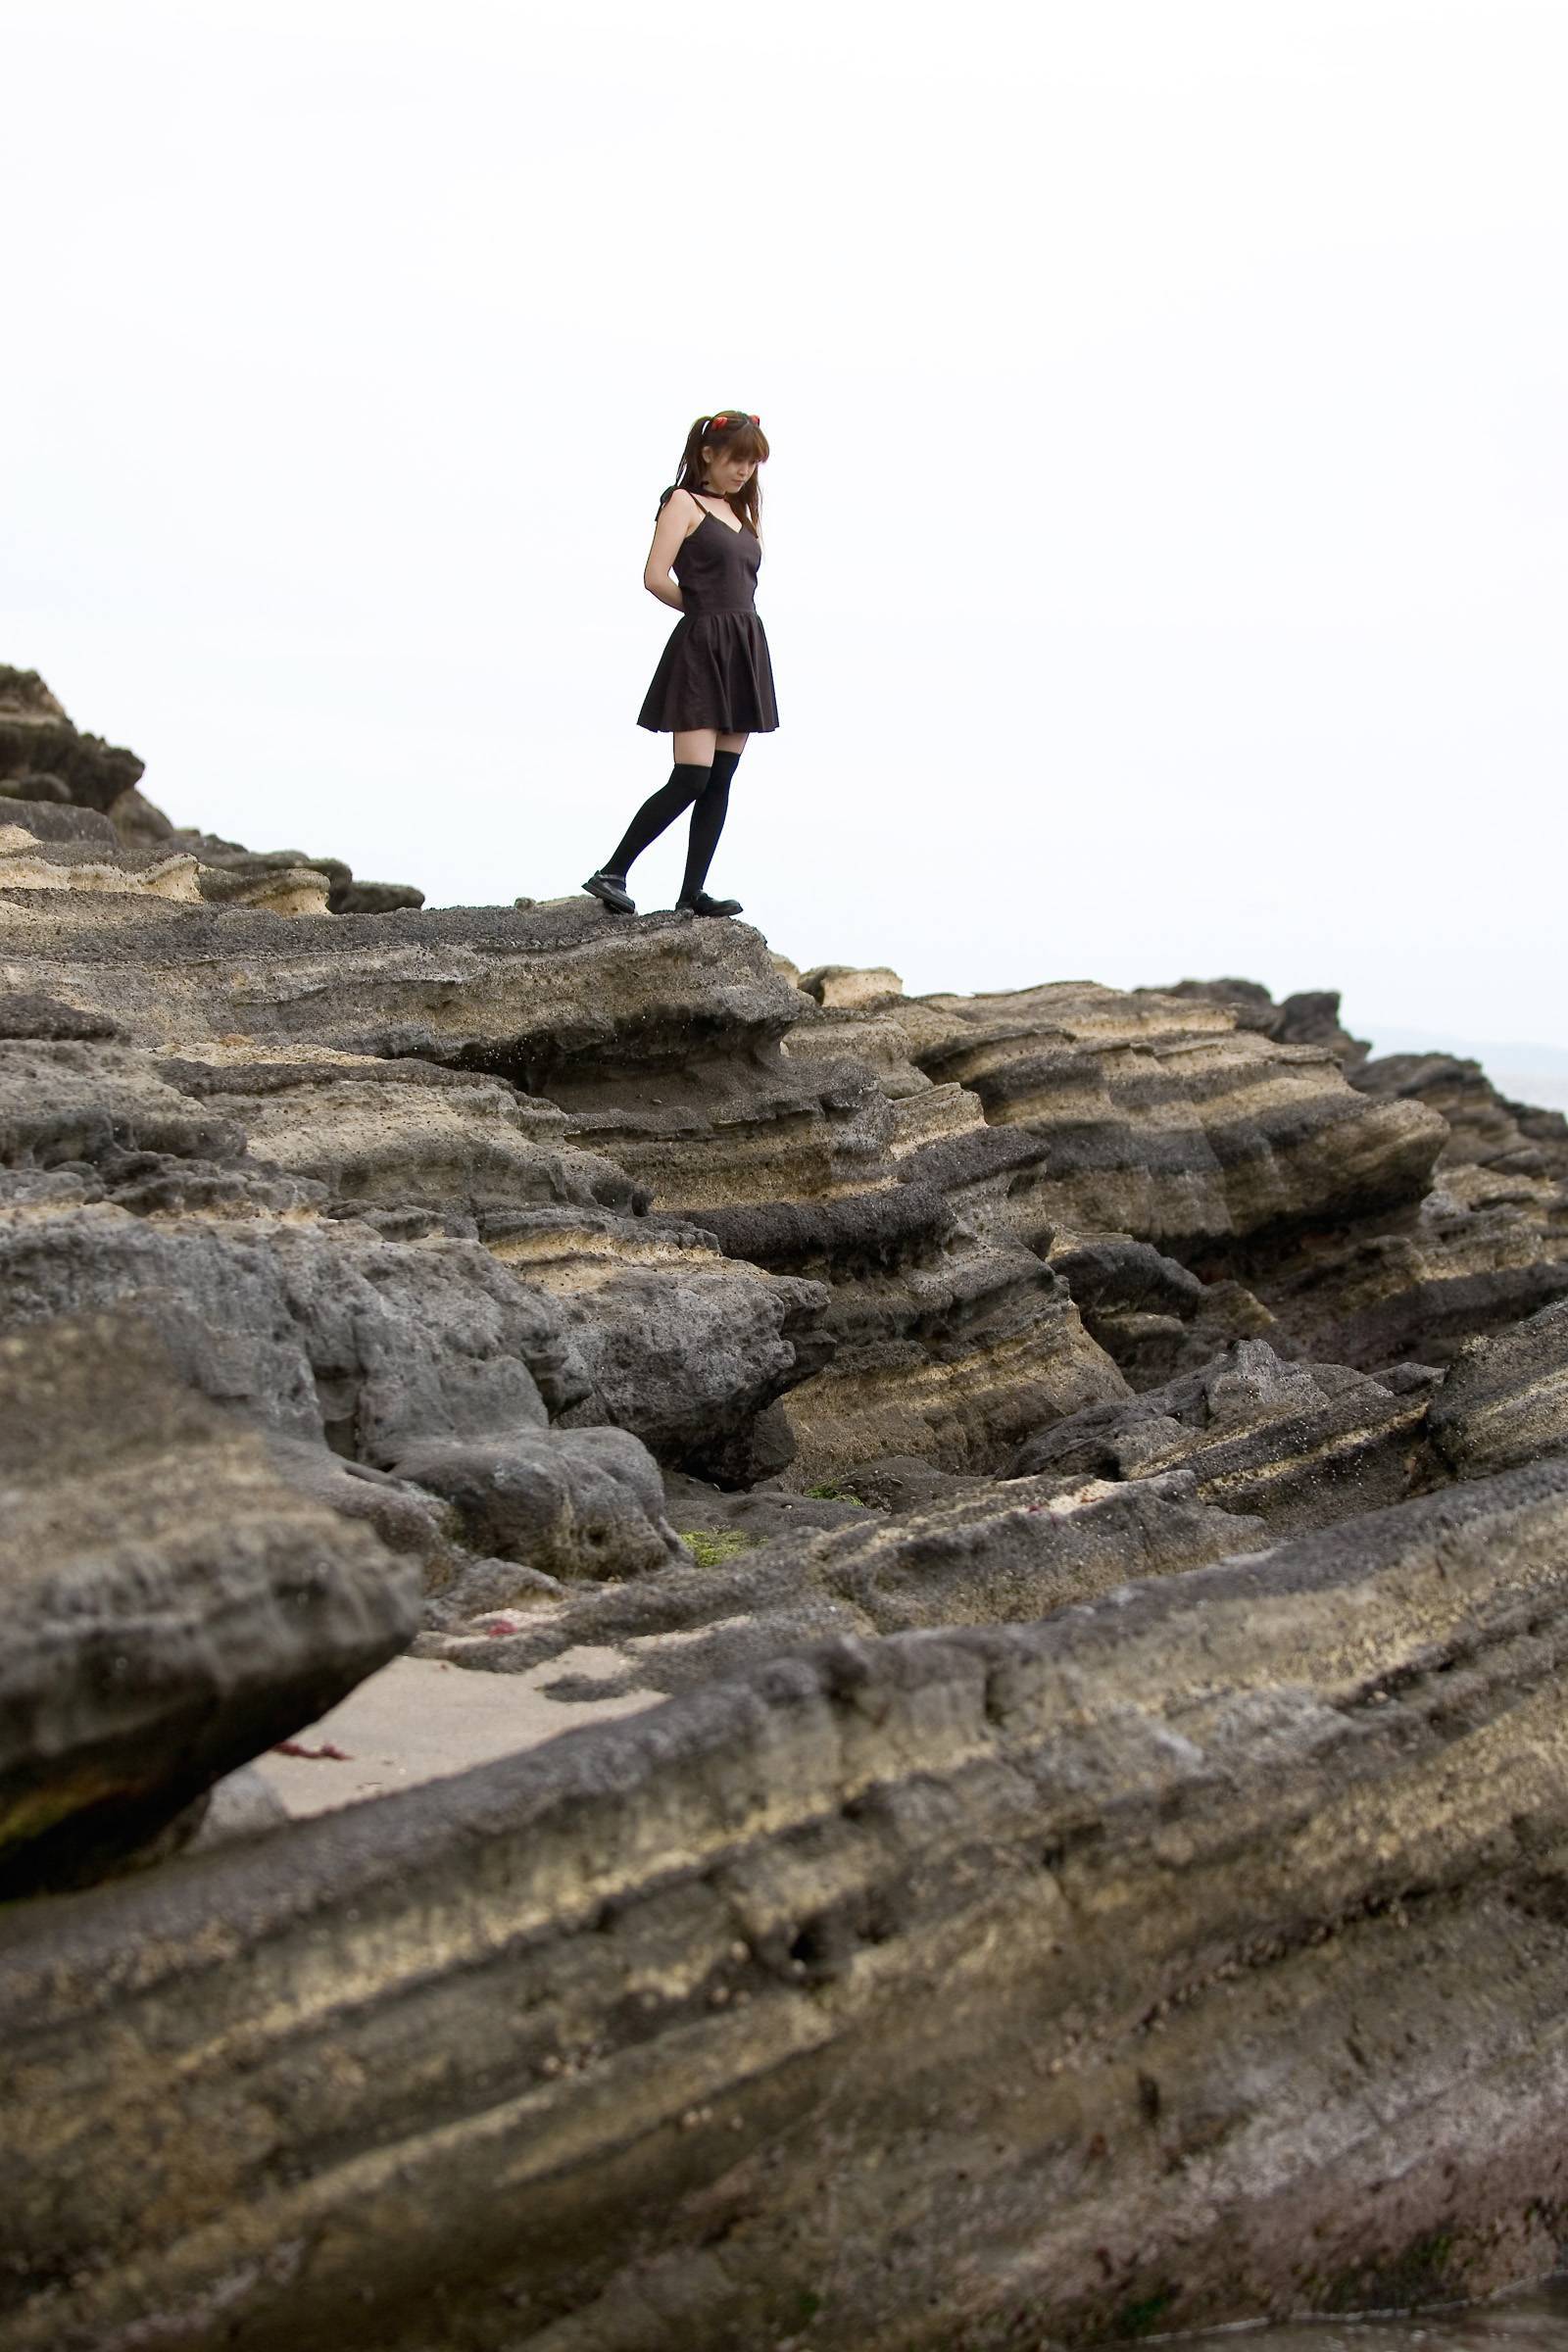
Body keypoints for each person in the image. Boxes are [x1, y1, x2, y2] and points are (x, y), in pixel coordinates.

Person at [583, 410, 778, 918]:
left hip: (744, 646)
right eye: (737, 459)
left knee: (721, 779)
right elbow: (654, 576)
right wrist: (702, 612)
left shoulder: (744, 515)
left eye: (752, 463)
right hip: (703, 645)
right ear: (708, 454)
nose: (744, 471)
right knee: (691, 775)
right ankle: (613, 871)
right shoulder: (683, 502)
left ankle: (692, 894)